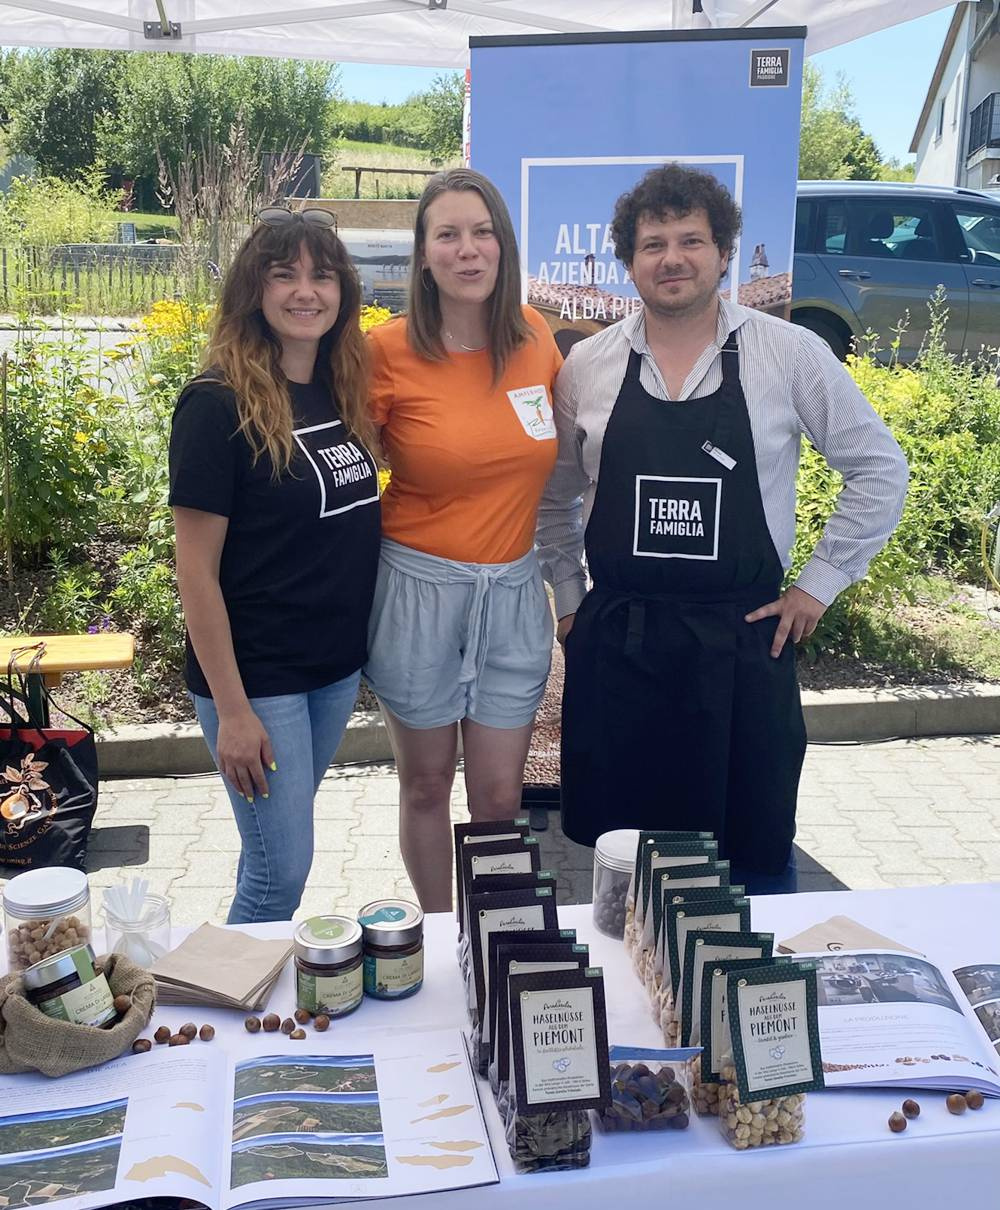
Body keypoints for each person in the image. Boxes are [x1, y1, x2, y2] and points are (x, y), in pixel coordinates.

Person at [537, 164, 908, 895]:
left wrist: (817, 586)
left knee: (748, 869)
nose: (671, 258)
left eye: (690, 240)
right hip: (622, 649)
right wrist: (571, 599)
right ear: (629, 261)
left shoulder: (788, 354)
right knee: (623, 873)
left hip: (740, 649)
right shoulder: (589, 364)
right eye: (652, 244)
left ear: (724, 253)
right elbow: (554, 499)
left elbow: (879, 469)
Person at [169, 207, 381, 924]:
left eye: (323, 276)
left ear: (343, 291)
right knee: (277, 872)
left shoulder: (336, 386)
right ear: (253, 290)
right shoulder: (214, 404)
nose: (306, 291)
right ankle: (228, 996)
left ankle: (245, 985)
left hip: (332, 671)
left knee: (270, 848)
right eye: (284, 275)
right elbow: (195, 573)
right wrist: (233, 712)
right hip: (260, 682)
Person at [364, 168, 562, 913]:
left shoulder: (536, 339)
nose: (467, 249)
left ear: (503, 245)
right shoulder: (385, 352)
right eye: (447, 234)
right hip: (419, 592)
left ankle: (495, 936)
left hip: (513, 595)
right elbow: (344, 478)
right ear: (423, 254)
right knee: (424, 785)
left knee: (500, 796)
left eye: (482, 232)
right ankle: (442, 936)